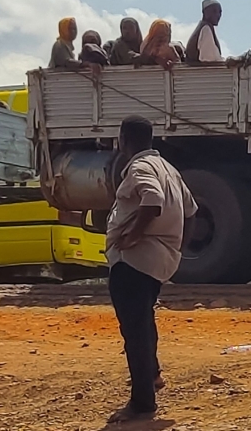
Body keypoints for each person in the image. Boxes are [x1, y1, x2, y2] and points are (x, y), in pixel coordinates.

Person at [105, 115, 197, 423]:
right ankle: (153, 375)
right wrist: (178, 247)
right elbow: (191, 211)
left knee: (135, 331)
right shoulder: (168, 168)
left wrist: (132, 237)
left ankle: (143, 404)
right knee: (144, 322)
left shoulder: (140, 167)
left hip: (135, 260)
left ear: (124, 140)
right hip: (158, 260)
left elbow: (152, 200)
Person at [185, 0, 223, 65]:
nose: (218, 15)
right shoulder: (205, 29)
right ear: (205, 12)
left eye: (220, 12)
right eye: (214, 11)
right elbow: (209, 59)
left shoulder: (205, 27)